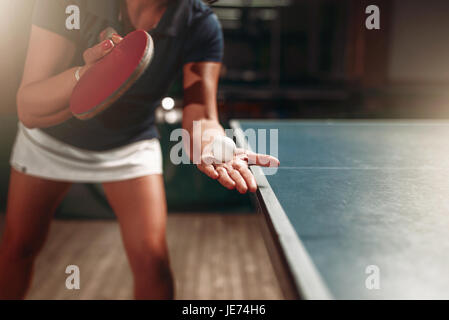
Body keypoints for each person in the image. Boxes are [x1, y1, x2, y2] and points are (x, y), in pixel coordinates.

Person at [0, 0, 279, 300]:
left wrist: (212, 145)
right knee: (20, 247)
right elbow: (28, 107)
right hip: (49, 142)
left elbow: (202, 116)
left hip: (130, 144)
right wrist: (86, 76)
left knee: (153, 261)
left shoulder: (199, 22)